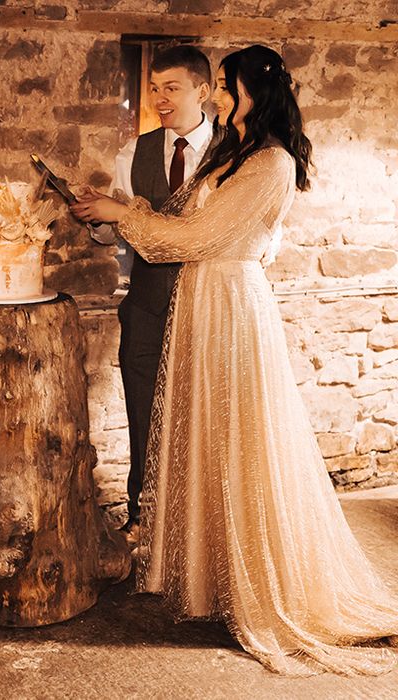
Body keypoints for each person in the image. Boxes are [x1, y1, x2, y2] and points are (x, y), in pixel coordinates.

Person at [71, 45, 398, 676]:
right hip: (202, 298)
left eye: (224, 85)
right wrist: (124, 211)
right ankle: (210, 573)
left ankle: (263, 581)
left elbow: (197, 238)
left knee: (241, 439)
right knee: (203, 436)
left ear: (252, 89)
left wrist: (120, 213)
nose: (218, 96)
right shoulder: (233, 152)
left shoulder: (272, 162)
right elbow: (185, 220)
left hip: (230, 305)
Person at [82, 45, 215, 535]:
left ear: (203, 90)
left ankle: (203, 524)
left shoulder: (236, 154)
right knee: (144, 412)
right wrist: (98, 220)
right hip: (145, 306)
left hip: (210, 306)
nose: (159, 98)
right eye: (154, 88)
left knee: (206, 415)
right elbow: (120, 234)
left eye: (171, 88)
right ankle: (145, 517)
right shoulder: (131, 153)